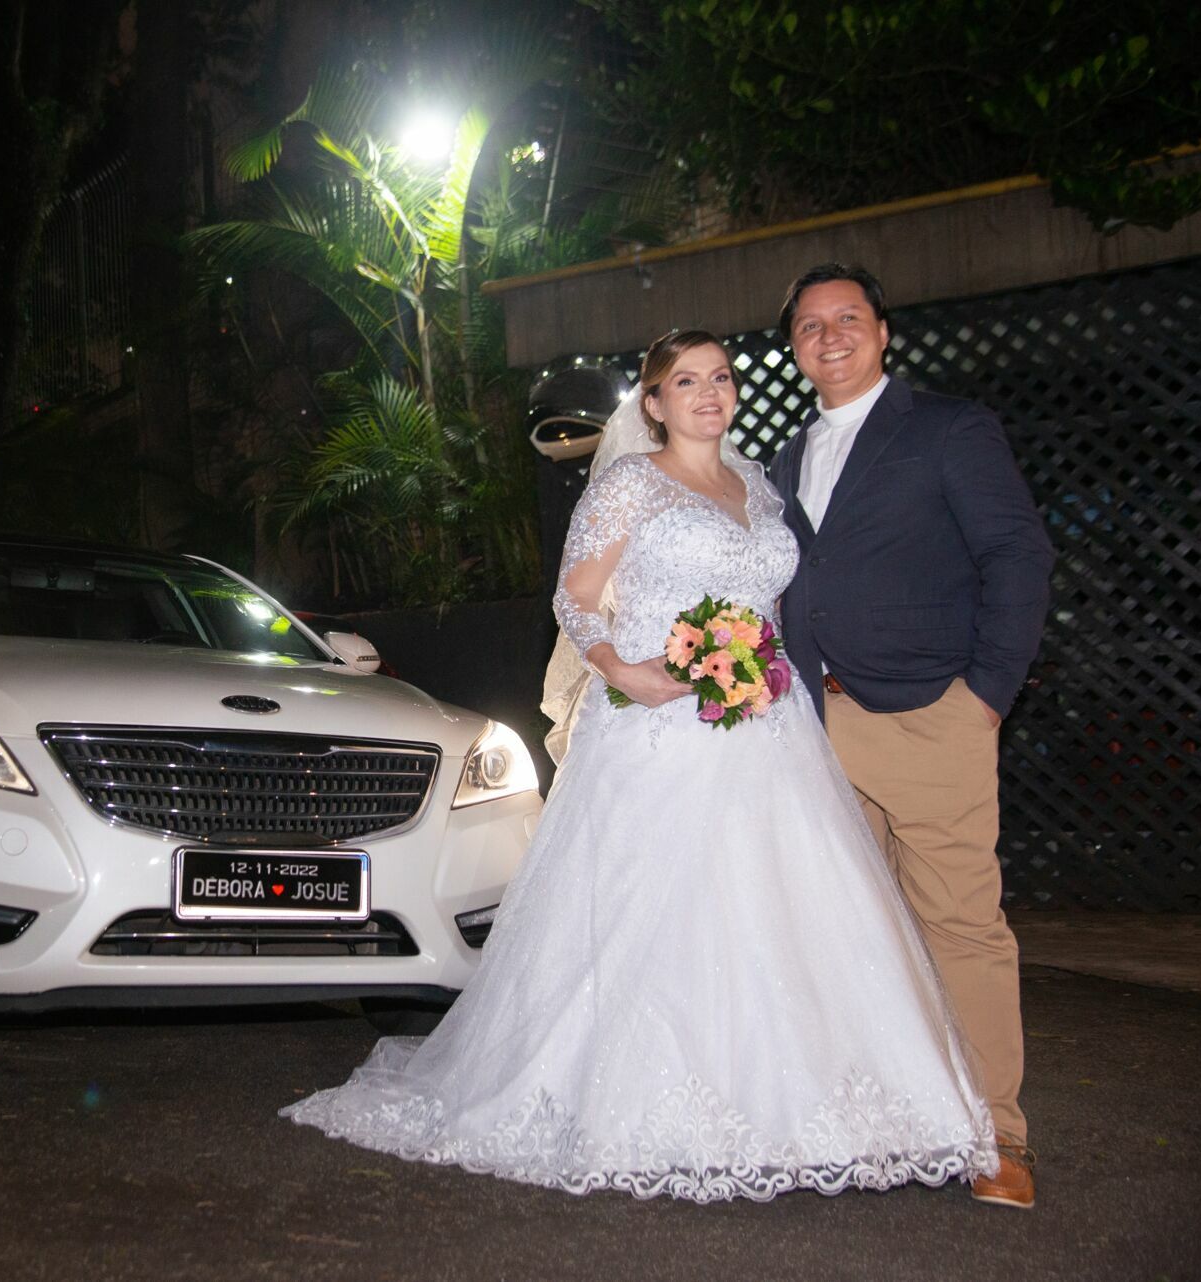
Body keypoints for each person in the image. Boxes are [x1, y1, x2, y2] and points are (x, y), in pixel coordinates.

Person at [284, 330, 997, 1203]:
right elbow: (574, 598)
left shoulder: (759, 487)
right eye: (685, 382)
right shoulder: (631, 484)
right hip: (661, 733)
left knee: (786, 915)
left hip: (770, 735)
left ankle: (810, 1103)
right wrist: (627, 668)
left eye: (722, 378)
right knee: (658, 921)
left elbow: (771, 605)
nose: (710, 393)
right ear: (653, 404)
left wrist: (757, 667)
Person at [768, 264, 1054, 1209]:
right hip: (816, 722)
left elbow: (1017, 554)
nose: (830, 335)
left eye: (848, 317)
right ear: (796, 347)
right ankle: (887, 1118)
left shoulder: (948, 429)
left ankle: (996, 1138)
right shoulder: (783, 455)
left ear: (883, 331)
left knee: (961, 926)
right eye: (810, 326)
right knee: (854, 933)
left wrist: (986, 694)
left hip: (932, 715)